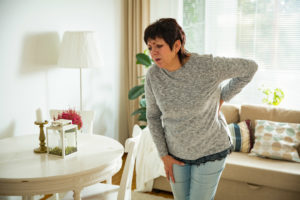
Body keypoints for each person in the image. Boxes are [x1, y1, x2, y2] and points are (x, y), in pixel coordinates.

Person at [144, 18, 258, 200]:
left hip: (211, 149)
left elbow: (250, 68)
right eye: (150, 47)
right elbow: (153, 116)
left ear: (176, 45)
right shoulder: (153, 75)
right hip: (176, 153)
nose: (153, 52)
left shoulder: (206, 66)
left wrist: (222, 97)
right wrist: (164, 155)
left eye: (158, 45)